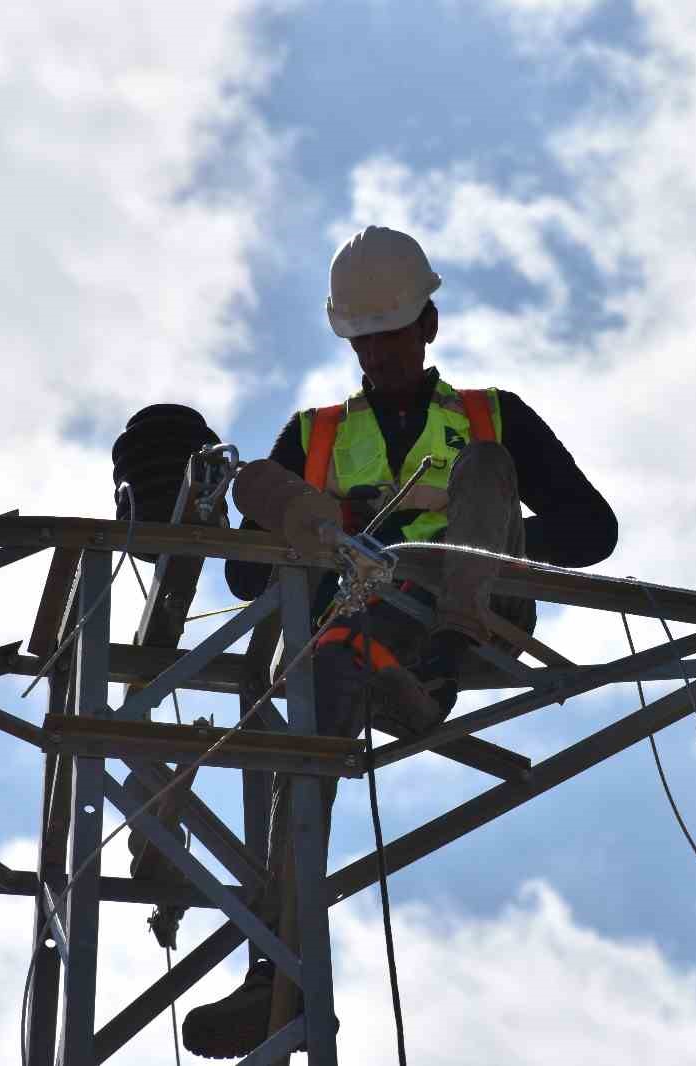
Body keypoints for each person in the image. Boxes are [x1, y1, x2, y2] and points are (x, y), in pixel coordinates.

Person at [181, 225, 617, 1058]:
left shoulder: (494, 417)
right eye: (362, 342)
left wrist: (474, 533)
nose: (375, 358)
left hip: (472, 619)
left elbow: (593, 530)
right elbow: (243, 582)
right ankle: (276, 975)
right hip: (356, 629)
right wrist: (313, 521)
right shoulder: (313, 436)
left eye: (389, 339)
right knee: (303, 748)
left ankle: (437, 672)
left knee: (487, 468)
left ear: (428, 328)